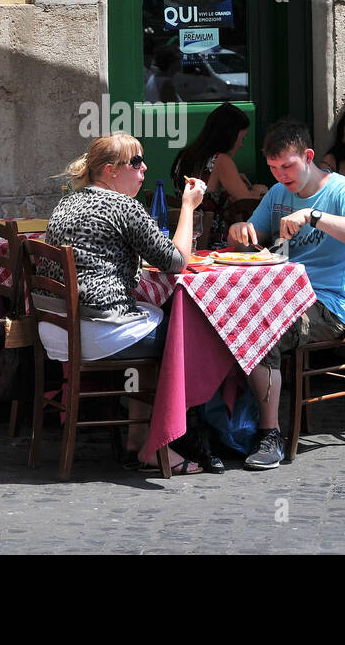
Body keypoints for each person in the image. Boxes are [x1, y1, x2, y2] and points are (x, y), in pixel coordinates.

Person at [41, 134, 214, 473]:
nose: (144, 168)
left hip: (56, 327)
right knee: (186, 333)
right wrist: (190, 206)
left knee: (158, 324)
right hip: (97, 330)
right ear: (109, 170)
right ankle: (168, 441)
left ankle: (140, 440)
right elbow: (177, 261)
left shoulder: (66, 203)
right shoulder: (124, 207)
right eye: (136, 163)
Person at [226, 119, 345, 470]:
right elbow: (255, 235)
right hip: (279, 296)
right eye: (273, 168)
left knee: (261, 331)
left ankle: (270, 433)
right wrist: (241, 231)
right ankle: (223, 425)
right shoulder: (279, 192)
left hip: (328, 305)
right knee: (221, 318)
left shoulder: (342, 191)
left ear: (308, 157)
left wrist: (314, 215)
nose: (281, 175)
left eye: (287, 166)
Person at [170, 103, 268, 247]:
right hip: (215, 244)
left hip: (186, 240)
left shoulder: (184, 156)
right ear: (231, 136)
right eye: (242, 138)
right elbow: (246, 202)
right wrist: (258, 190)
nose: (241, 144)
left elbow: (208, 186)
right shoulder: (221, 161)